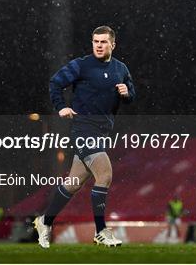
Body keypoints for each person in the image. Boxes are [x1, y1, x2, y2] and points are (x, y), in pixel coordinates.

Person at [34, 25, 135, 248]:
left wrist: (127, 93)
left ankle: (45, 221)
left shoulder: (121, 69)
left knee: (73, 183)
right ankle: (101, 231)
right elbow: (55, 83)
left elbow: (131, 92)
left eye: (103, 42)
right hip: (83, 129)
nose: (98, 45)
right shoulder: (81, 65)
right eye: (95, 41)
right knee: (105, 174)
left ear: (113, 44)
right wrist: (61, 106)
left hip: (102, 131)